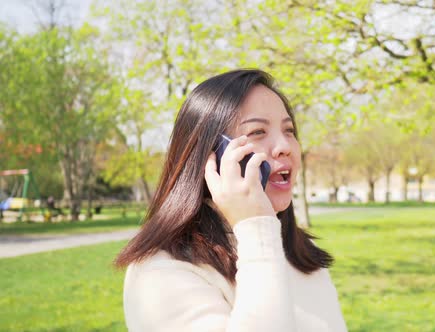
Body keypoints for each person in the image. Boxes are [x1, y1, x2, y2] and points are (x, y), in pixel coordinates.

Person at [115, 69, 348, 332]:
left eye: (289, 130)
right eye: (258, 131)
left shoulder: (298, 254)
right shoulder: (160, 272)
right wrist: (256, 228)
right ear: (212, 156)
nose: (284, 145)